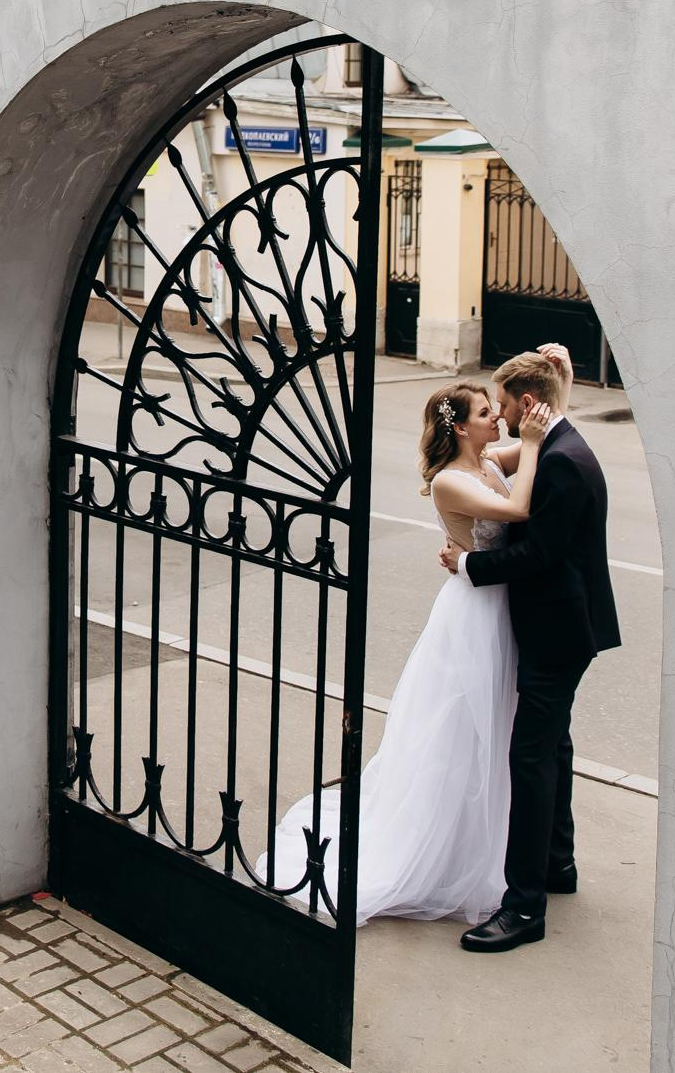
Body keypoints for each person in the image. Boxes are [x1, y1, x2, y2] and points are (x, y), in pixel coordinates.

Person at [265, 378, 556, 922]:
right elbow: (517, 510)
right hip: (474, 615)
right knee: (459, 728)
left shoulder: (489, 458)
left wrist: (552, 388)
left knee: (493, 728)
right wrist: (534, 447)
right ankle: (442, 851)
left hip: (499, 607)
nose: (498, 417)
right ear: (460, 427)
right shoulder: (450, 480)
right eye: (486, 412)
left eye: (496, 410)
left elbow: (544, 428)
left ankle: (484, 841)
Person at [441, 347, 622, 953]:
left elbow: (535, 555)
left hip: (557, 630)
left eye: (506, 407)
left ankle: (523, 909)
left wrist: (467, 562)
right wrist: (561, 379)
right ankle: (557, 865)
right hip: (566, 625)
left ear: (526, 405)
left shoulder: (563, 462)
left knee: (531, 759)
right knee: (556, 745)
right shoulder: (563, 444)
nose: (505, 420)